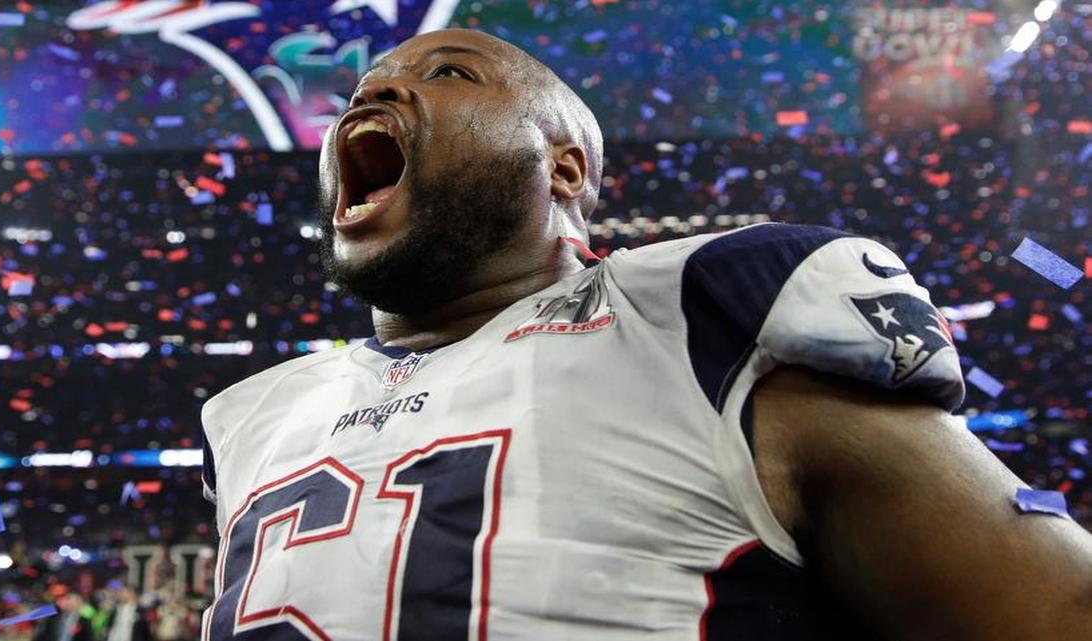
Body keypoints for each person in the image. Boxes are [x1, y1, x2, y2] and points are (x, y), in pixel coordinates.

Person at [199, 28, 1092, 640]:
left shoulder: (709, 319)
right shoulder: (254, 416)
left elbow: (1055, 607)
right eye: (363, 88)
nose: (383, 86)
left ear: (566, 165)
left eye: (451, 73)